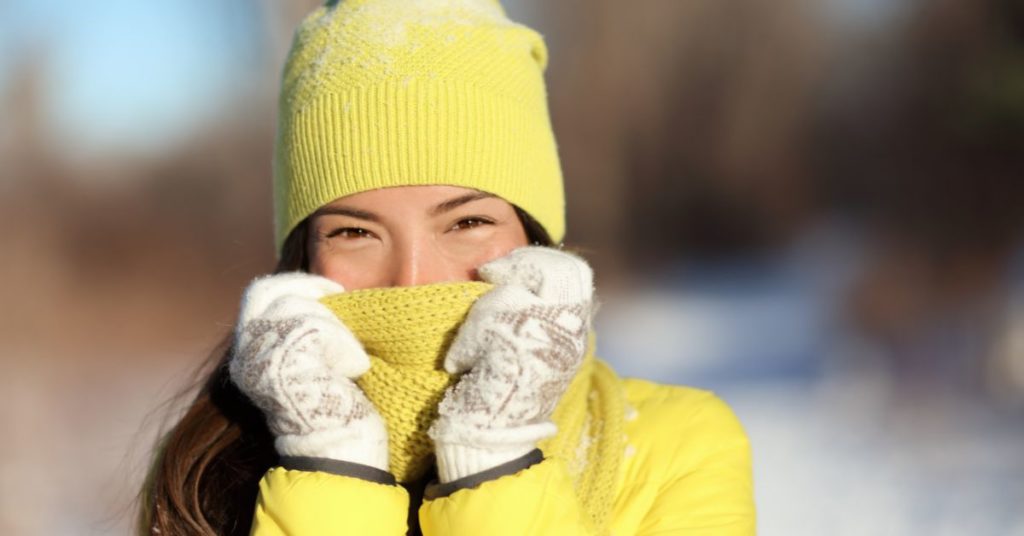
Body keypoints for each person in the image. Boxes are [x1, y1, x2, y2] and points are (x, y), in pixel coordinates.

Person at [138, 1, 755, 534]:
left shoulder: (678, 445)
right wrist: (327, 462)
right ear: (304, 254)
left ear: (534, 235)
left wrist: (490, 458)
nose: (413, 278)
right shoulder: (207, 466)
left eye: (465, 223)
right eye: (355, 231)